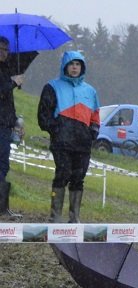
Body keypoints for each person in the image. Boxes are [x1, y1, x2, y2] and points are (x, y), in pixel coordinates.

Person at [36, 49, 99, 223]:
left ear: (82, 67)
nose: (74, 67)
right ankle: (55, 216)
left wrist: (92, 133)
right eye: (71, 64)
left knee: (78, 178)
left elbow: (95, 116)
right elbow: (43, 115)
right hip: (61, 142)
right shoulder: (52, 87)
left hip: (83, 143)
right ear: (65, 66)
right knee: (62, 174)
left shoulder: (90, 91)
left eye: (78, 64)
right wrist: (56, 130)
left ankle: (74, 218)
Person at [0, 37, 23, 220]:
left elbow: (7, 102)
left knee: (3, 164)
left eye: (6, 49)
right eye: (0, 48)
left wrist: (16, 122)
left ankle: (2, 207)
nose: (3, 52)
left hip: (6, 124)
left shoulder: (6, 69)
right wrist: (13, 83)